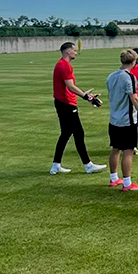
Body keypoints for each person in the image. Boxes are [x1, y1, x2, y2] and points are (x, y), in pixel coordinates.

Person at [50, 41, 107, 175]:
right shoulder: (64, 65)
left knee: (66, 133)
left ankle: (56, 165)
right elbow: (70, 86)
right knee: (78, 133)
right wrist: (87, 97)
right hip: (66, 104)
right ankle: (88, 165)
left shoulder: (62, 64)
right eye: (74, 50)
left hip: (63, 102)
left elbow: (69, 87)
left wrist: (86, 94)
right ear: (68, 52)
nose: (76, 52)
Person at [106, 49, 138, 191]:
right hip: (126, 120)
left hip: (113, 118)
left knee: (115, 148)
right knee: (128, 150)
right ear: (133, 61)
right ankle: (127, 183)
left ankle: (113, 178)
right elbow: (134, 98)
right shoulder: (129, 77)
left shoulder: (111, 76)